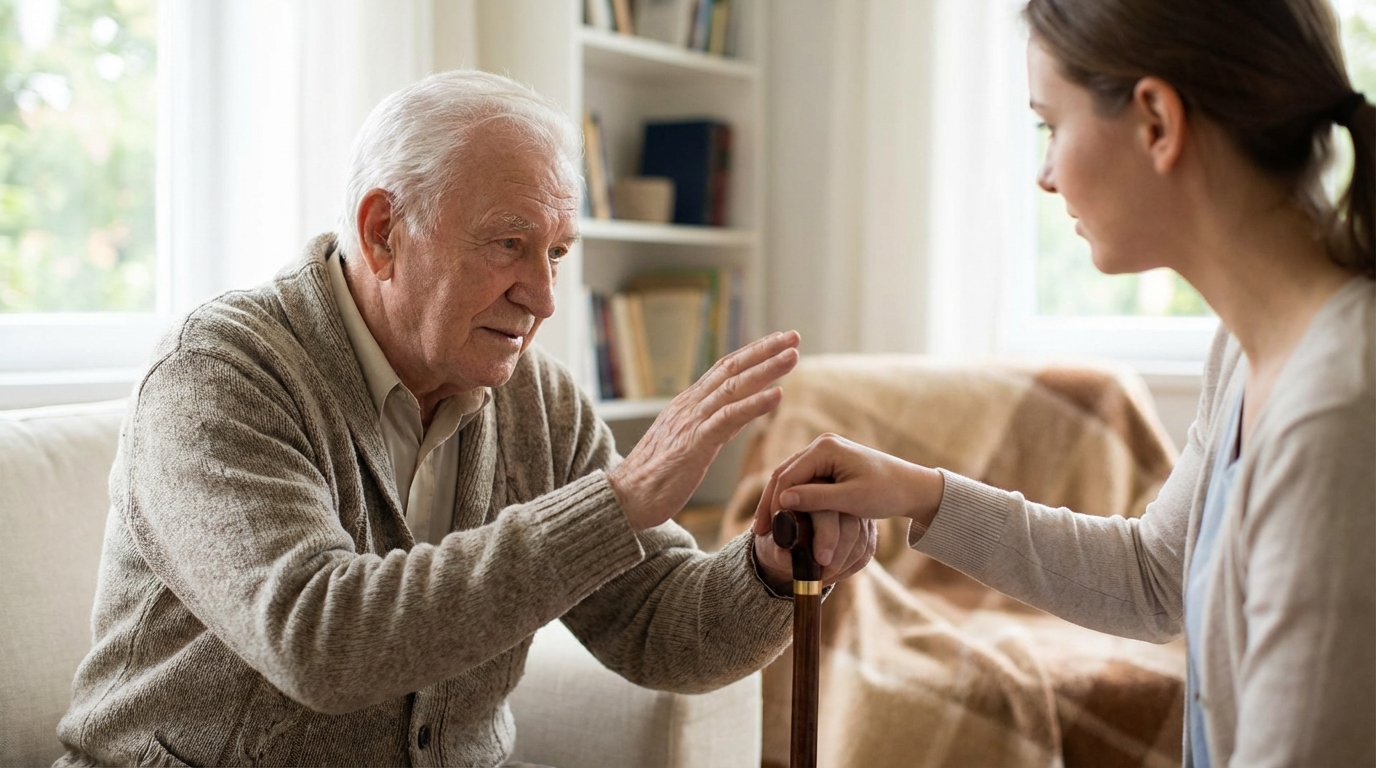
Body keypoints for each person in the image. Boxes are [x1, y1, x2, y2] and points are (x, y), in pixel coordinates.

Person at [55, 70, 876, 767]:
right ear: (383, 233)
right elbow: (319, 639)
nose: (545, 297)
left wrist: (770, 567)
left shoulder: (537, 402)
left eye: (556, 252)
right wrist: (616, 503)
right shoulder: (218, 373)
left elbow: (660, 626)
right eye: (508, 244)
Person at [754, 1, 1375, 766]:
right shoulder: (1245, 352)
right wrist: (918, 491)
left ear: (1155, 121)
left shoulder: (1338, 414)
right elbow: (1154, 578)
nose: (1045, 175)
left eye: (1050, 126)